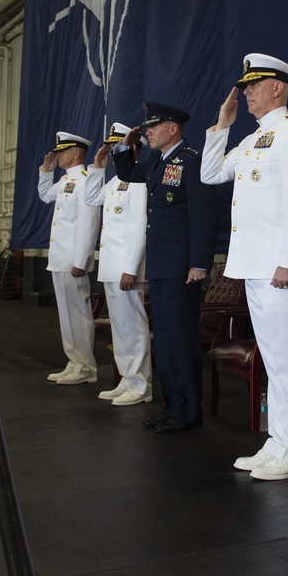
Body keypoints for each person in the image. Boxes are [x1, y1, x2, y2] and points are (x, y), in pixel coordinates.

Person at [201, 54, 288, 479]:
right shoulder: (252, 140)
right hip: (255, 265)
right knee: (274, 359)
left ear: (278, 87)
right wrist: (223, 125)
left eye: (255, 84)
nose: (246, 90)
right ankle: (280, 441)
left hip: (281, 268)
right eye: (245, 85)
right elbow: (211, 173)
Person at [112, 103, 217, 433]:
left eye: (153, 127)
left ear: (173, 128)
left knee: (181, 338)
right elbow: (127, 174)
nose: (147, 132)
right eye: (145, 127)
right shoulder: (157, 160)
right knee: (167, 340)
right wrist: (122, 146)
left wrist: (199, 262)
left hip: (182, 267)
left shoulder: (190, 161)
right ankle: (172, 406)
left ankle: (188, 411)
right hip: (161, 263)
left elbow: (204, 215)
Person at [83, 122, 152, 406]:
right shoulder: (113, 181)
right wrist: (97, 168)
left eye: (117, 146)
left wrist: (131, 268)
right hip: (111, 266)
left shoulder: (139, 183)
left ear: (134, 148)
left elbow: (139, 227)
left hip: (126, 267)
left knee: (133, 328)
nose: (112, 152)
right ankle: (127, 379)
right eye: (112, 148)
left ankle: (140, 385)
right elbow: (89, 199)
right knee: (120, 328)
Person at [37, 132, 101, 386]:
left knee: (79, 313)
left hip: (73, 260)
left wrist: (82, 260)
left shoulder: (85, 181)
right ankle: (74, 361)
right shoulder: (65, 181)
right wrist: (46, 170)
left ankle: (86, 366)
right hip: (59, 258)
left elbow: (88, 224)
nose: (58, 155)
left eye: (62, 152)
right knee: (66, 314)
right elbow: (44, 195)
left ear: (76, 154)